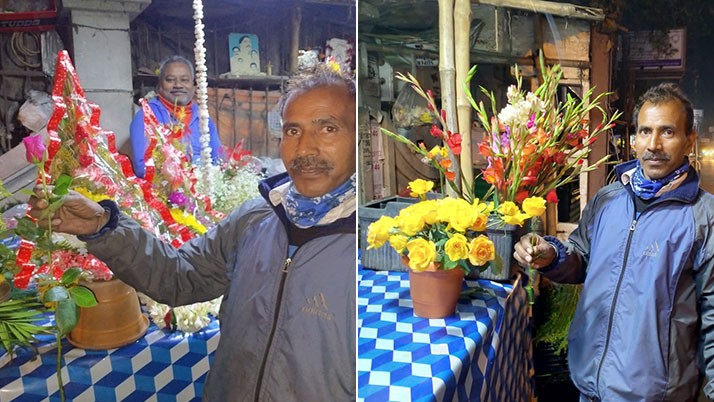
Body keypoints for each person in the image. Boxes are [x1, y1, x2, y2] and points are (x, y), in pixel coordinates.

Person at [30, 63, 357, 401]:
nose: (304, 149)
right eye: (292, 131)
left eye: (328, 129)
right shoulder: (256, 218)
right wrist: (102, 225)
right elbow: (178, 276)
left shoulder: (366, 244)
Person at [513, 82, 714, 401]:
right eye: (645, 132)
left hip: (653, 393)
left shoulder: (704, 218)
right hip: (588, 382)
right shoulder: (608, 199)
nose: (654, 144)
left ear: (690, 140)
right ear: (633, 140)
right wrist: (551, 256)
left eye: (668, 132)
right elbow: (580, 258)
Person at [129, 55, 222, 178]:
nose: (178, 85)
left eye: (184, 80)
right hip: (164, 192)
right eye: (170, 79)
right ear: (159, 85)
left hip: (206, 187)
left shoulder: (204, 118)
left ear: (194, 86)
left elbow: (219, 160)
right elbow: (143, 167)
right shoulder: (146, 116)